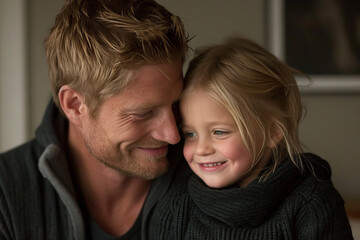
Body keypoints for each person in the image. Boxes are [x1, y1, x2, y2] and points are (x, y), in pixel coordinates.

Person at [0, 0, 189, 239]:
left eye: (175, 105)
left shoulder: (208, 177)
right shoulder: (5, 195)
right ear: (75, 105)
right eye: (143, 113)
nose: (173, 134)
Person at [150, 37, 354, 239]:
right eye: (190, 134)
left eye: (219, 132)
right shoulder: (178, 208)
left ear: (272, 132)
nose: (201, 149)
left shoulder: (312, 205)